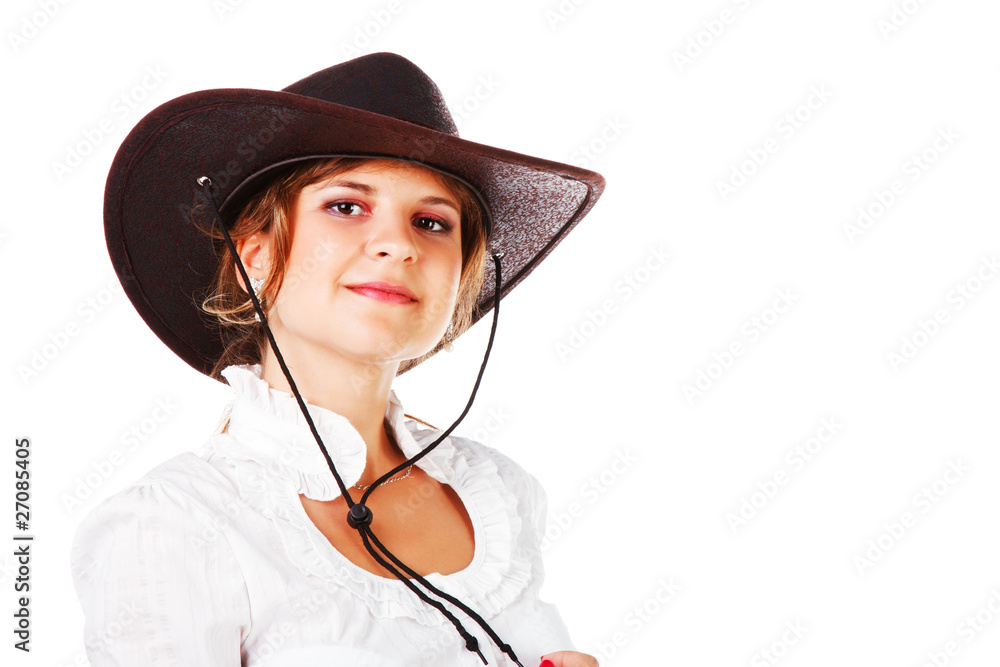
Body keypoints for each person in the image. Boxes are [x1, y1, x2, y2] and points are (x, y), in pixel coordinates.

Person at [71, 52, 605, 666]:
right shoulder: (172, 526)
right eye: (347, 206)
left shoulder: (505, 496)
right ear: (256, 258)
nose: (398, 244)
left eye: (433, 222)